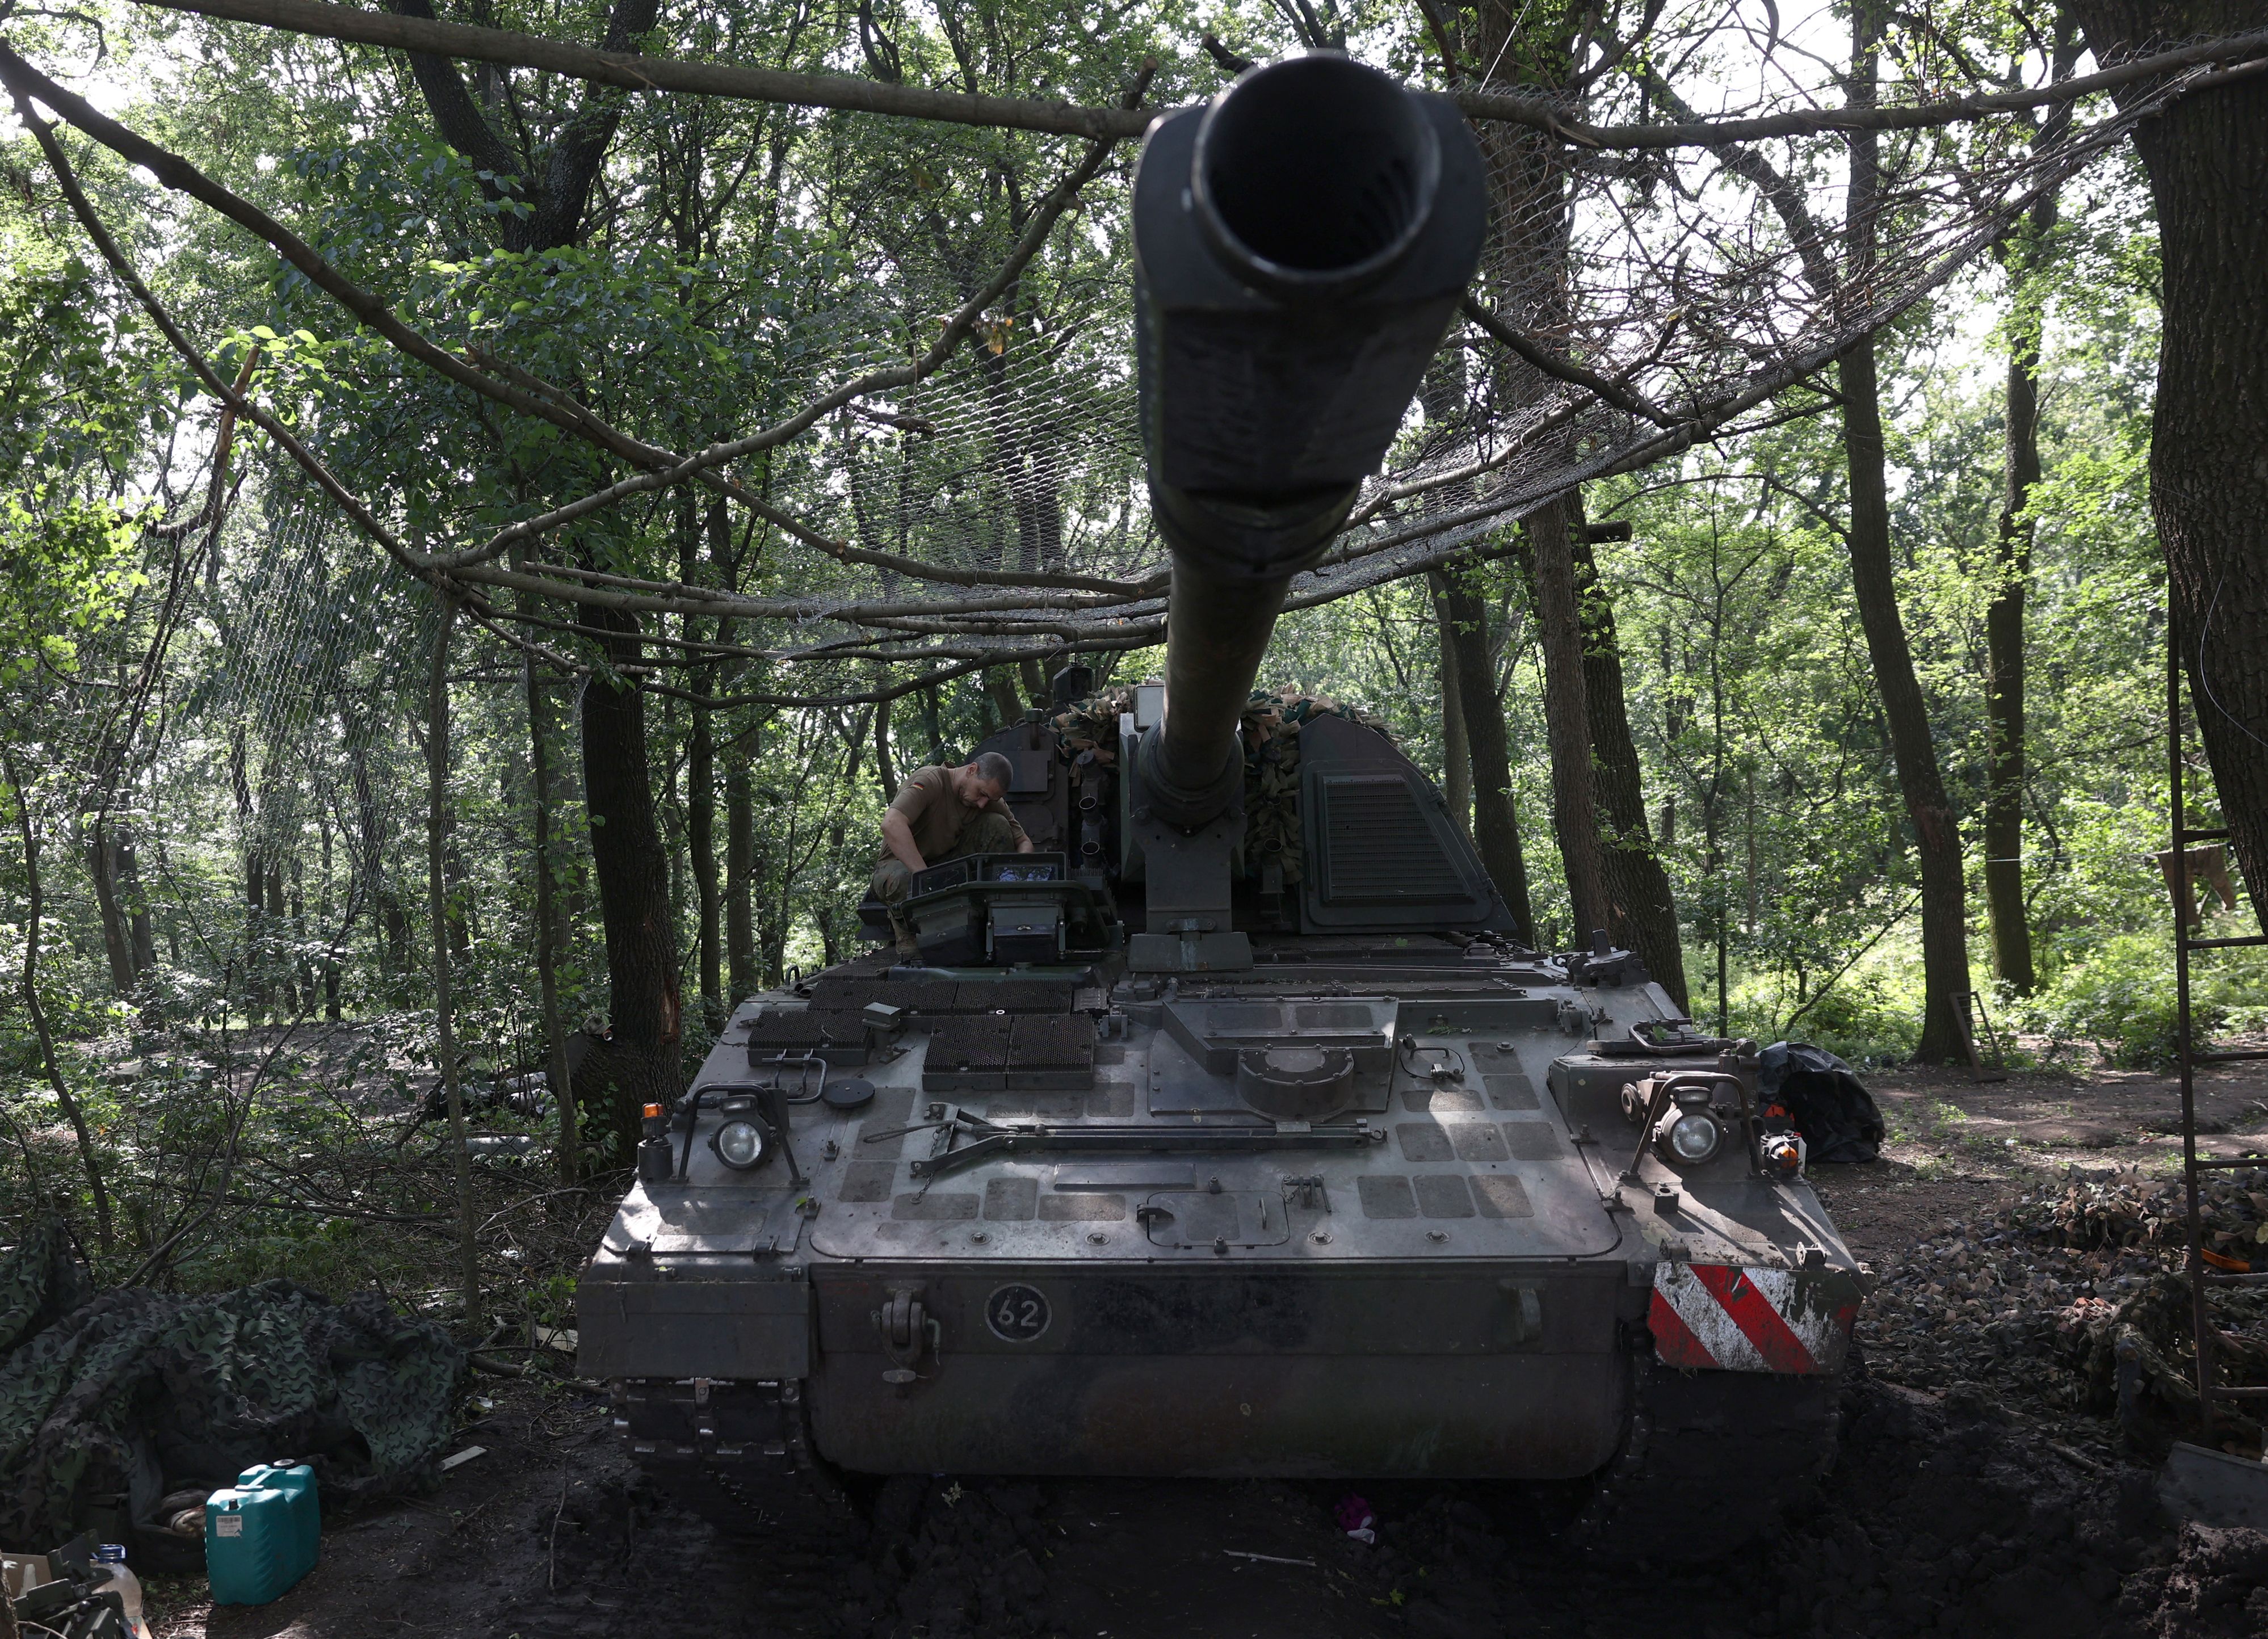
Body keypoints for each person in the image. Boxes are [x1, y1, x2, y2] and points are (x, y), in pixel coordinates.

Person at [872, 753, 1033, 954]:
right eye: (982, 794)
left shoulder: (988, 799)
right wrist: (926, 879)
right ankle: (907, 929)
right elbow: (891, 824)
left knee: (998, 825)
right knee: (904, 880)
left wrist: (1016, 879)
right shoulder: (929, 780)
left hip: (946, 866)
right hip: (899, 867)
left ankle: (987, 918)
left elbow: (1024, 842)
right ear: (972, 770)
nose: (983, 804)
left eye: (990, 799)